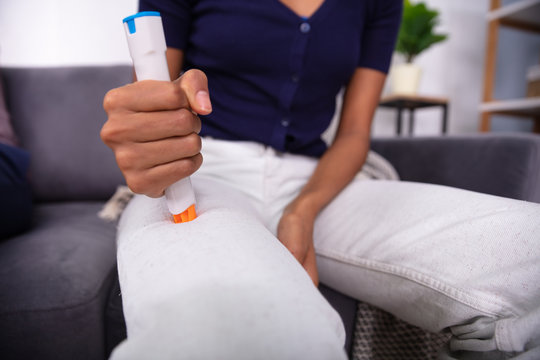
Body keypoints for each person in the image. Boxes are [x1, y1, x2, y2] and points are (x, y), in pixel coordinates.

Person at [101, 0, 540, 359]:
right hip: (201, 173)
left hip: (318, 183)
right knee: (229, 328)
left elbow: (353, 134)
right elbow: (153, 104)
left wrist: (302, 210)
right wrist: (151, 137)